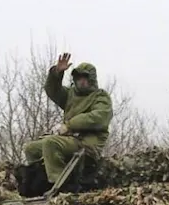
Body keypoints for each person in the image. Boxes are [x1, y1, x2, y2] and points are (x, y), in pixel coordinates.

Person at [23, 53, 113, 183]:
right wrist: (57, 73)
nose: (81, 80)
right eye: (78, 77)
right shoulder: (71, 95)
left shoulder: (100, 97)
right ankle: (41, 182)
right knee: (31, 149)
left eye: (85, 77)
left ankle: (61, 184)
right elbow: (53, 91)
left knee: (51, 143)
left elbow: (98, 118)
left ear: (91, 79)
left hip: (87, 144)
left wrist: (69, 125)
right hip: (69, 141)